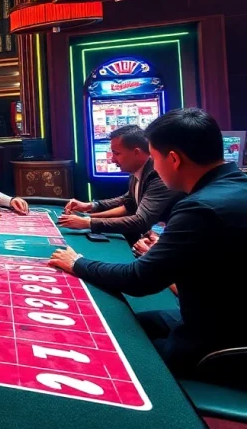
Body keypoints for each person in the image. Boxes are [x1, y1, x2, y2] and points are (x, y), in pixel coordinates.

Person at [50, 108, 247, 378]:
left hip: (217, 343)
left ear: (174, 159)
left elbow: (140, 279)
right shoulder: (237, 186)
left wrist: (78, 263)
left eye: (154, 158)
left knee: (111, 350)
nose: (153, 166)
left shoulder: (199, 207)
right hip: (220, 317)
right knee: (121, 322)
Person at [59, 125, 183, 246]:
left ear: (136, 153)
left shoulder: (158, 175)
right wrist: (89, 207)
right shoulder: (137, 170)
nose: (112, 160)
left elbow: (141, 221)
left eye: (117, 153)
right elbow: (129, 201)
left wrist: (89, 222)